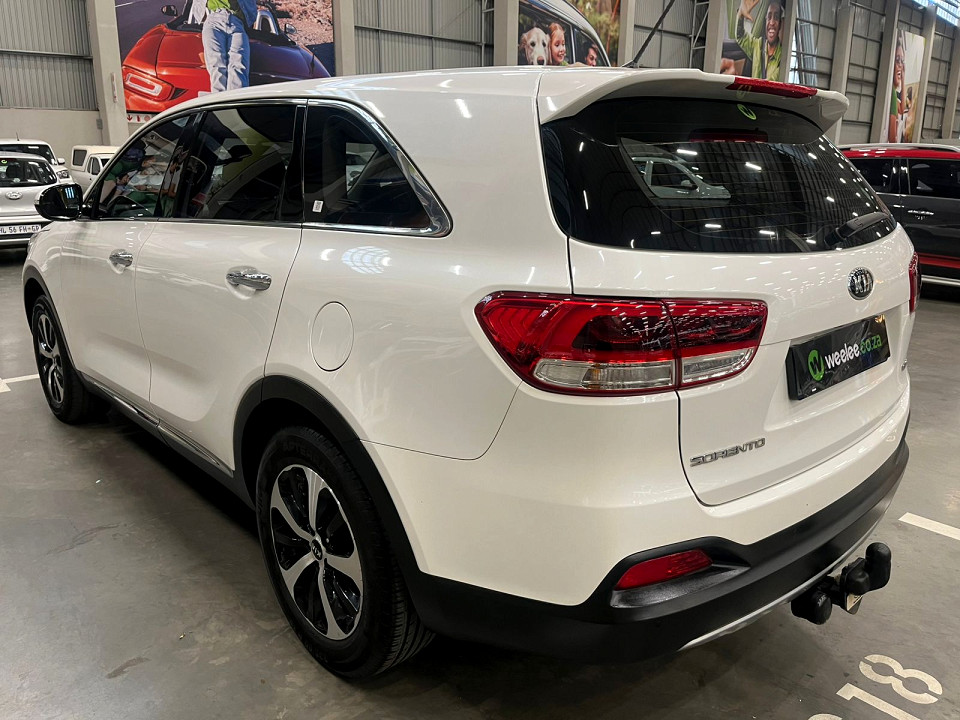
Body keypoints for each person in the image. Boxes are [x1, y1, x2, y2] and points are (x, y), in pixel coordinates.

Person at [193, 0, 257, 93]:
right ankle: (219, 99)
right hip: (213, 20)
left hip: (237, 23)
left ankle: (235, 99)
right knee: (216, 65)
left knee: (238, 65)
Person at [731, 0, 782, 80]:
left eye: (776, 18)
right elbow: (740, 37)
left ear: (780, 24)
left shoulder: (782, 56)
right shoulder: (758, 45)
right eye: (769, 17)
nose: (772, 22)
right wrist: (741, 14)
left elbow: (772, 81)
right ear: (765, 22)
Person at [888, 31, 906, 142]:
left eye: (902, 61)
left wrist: (903, 80)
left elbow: (902, 109)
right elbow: (892, 139)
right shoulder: (892, 94)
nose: (900, 65)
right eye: (897, 60)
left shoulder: (893, 92)